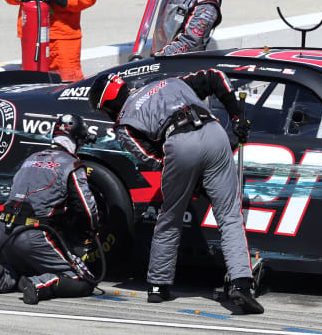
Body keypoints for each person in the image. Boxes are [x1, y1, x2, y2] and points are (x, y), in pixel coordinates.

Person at [87, 68, 263, 314]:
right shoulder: (170, 81)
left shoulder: (124, 123)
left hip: (179, 143)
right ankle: (242, 285)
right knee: (230, 217)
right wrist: (236, 116)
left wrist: (188, 176)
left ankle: (158, 286)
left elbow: (152, 158)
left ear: (108, 105)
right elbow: (215, 77)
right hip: (215, 133)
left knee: (170, 217)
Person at [0, 114, 100, 304]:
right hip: (32, 236)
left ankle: (5, 275)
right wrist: (92, 229)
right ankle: (40, 285)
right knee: (84, 280)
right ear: (77, 139)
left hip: (4, 233)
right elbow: (86, 209)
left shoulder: (31, 158)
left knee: (31, 264)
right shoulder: (72, 164)